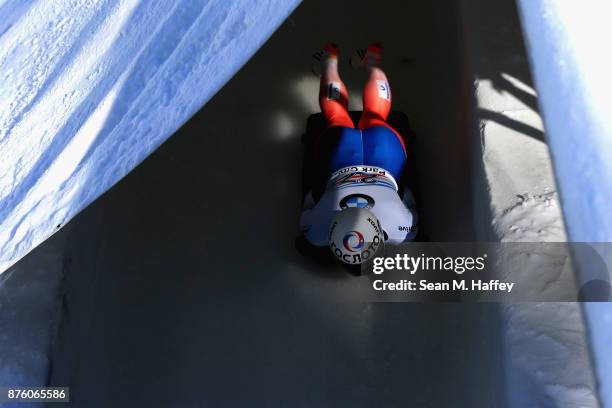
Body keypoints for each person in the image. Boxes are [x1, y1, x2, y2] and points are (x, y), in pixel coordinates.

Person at [299, 43, 418, 265]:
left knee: (376, 114)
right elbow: (309, 201)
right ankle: (329, 62)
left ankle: (371, 61)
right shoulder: (316, 232)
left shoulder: (402, 229)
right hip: (340, 156)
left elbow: (409, 197)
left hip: (385, 155)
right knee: (336, 115)